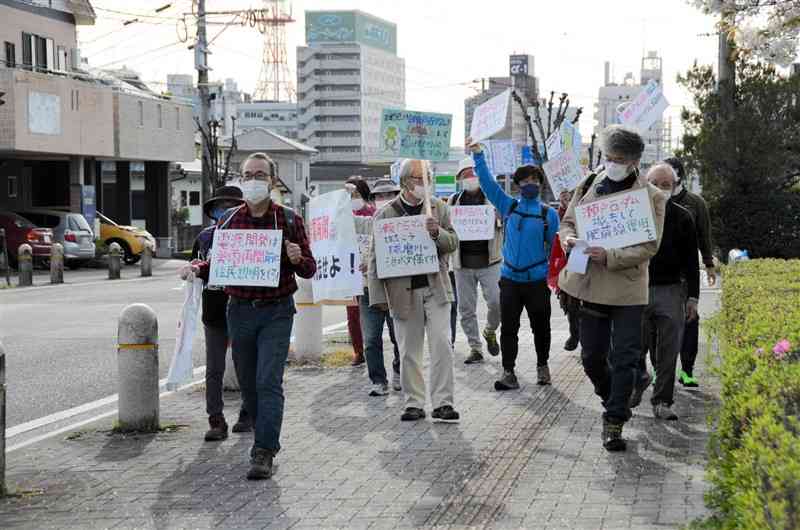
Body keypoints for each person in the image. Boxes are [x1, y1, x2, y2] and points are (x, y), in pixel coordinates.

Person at [189, 152, 316, 480]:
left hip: (276, 311)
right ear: (241, 180)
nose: (254, 180)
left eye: (260, 174)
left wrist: (297, 257)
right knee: (248, 384)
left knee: (267, 381)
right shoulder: (229, 220)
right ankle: (264, 433)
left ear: (272, 181)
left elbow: (310, 269)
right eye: (248, 175)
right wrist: (197, 268)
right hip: (239, 310)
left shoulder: (288, 220)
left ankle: (264, 450)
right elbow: (217, 262)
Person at [558, 125, 667, 451]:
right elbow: (567, 222)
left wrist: (610, 255)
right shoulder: (589, 183)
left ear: (634, 162)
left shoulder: (653, 197)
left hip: (628, 289)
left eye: (618, 159)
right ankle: (614, 399)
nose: (612, 163)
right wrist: (569, 241)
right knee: (591, 356)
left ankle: (614, 421)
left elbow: (649, 246)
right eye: (608, 157)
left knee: (625, 356)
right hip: (589, 282)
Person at [368, 159, 461, 422]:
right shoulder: (386, 214)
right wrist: (378, 298)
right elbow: (375, 259)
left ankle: (443, 402)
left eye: (427, 179)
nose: (423, 184)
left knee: (442, 343)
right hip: (402, 292)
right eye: (419, 179)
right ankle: (414, 402)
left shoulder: (439, 209)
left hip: (437, 287)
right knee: (409, 349)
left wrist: (437, 233)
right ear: (405, 181)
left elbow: (453, 242)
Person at [468, 137, 560, 389]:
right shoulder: (508, 206)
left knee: (541, 327)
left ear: (540, 184)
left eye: (534, 180)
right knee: (508, 329)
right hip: (509, 280)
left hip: (537, 282)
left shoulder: (548, 214)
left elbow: (555, 251)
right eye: (525, 181)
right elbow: (487, 184)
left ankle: (543, 366)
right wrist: (478, 155)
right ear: (518, 185)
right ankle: (508, 372)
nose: (529, 184)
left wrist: (555, 278)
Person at [634, 163, 700, 421]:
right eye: (655, 183)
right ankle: (638, 379)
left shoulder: (683, 216)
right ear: (645, 183)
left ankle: (662, 400)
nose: (661, 189)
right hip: (635, 288)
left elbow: (690, 263)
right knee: (633, 345)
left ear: (674, 187)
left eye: (666, 185)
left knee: (669, 349)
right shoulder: (633, 212)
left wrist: (693, 298)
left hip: (671, 290)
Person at [188, 185, 249, 442]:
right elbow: (196, 269)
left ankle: (248, 413)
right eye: (220, 207)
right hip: (213, 311)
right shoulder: (204, 237)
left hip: (243, 308)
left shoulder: (250, 236)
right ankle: (215, 419)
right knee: (213, 368)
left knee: (245, 365)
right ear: (213, 211)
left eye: (231, 207)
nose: (224, 212)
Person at [664, 157, 715, 389]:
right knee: (658, 322)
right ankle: (659, 370)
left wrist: (708, 263)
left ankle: (687, 370)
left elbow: (704, 235)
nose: (666, 181)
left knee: (690, 319)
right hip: (658, 275)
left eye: (670, 175)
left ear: (679, 176)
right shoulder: (652, 200)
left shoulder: (695, 203)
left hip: (686, 274)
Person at [449, 156, 502, 364]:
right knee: (466, 309)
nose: (470, 177)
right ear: (460, 179)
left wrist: (500, 216)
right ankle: (475, 347)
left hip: (490, 261)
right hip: (462, 264)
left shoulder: (494, 198)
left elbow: (506, 222)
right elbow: (447, 230)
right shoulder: (453, 201)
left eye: (473, 173)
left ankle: (490, 331)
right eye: (465, 175)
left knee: (497, 302)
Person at [357, 178, 403, 392]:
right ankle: (378, 380)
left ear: (397, 196)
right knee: (371, 338)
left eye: (389, 195)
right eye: (379, 196)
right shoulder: (365, 223)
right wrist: (348, 195)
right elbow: (339, 219)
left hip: (398, 288)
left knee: (399, 336)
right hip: (368, 289)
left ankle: (400, 373)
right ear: (372, 199)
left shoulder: (406, 222)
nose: (384, 200)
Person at [344, 176, 375, 367]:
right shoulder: (341, 215)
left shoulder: (373, 213)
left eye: (355, 194)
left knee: (371, 315)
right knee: (352, 315)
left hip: (368, 272)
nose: (352, 198)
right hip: (348, 270)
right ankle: (358, 351)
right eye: (349, 194)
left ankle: (371, 348)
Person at [547, 190, 581, 352]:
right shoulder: (556, 214)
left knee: (585, 302)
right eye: (563, 194)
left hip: (584, 255)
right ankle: (575, 333)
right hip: (564, 261)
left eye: (570, 194)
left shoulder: (585, 205)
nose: (566, 196)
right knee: (568, 302)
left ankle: (583, 338)